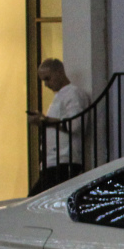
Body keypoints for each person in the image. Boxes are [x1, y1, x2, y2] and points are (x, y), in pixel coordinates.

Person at [28, 58, 91, 195]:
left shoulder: (73, 94)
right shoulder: (61, 96)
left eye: (48, 79)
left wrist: (45, 121)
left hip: (63, 161)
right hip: (54, 161)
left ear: (59, 73)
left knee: (33, 202)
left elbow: (75, 125)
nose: (46, 84)